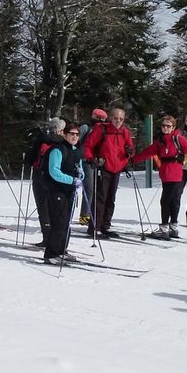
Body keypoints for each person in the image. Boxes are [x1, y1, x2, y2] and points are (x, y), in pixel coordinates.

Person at [131, 115, 187, 240]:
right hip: (166, 174)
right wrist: (133, 160)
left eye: (168, 126)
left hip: (174, 173)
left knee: (165, 201)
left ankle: (164, 228)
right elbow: (148, 152)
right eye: (163, 126)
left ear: (173, 127)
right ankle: (173, 227)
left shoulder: (177, 139)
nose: (165, 128)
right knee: (174, 200)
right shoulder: (160, 141)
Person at [82, 107, 134, 238]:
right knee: (100, 197)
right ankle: (94, 226)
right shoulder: (102, 129)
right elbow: (88, 145)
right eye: (116, 118)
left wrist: (129, 152)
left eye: (121, 119)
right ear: (110, 118)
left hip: (117, 168)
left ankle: (105, 225)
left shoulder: (125, 132)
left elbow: (130, 147)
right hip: (103, 166)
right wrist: (90, 158)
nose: (118, 121)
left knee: (111, 198)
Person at [42, 122, 84, 264]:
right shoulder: (58, 149)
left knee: (66, 222)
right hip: (56, 190)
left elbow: (80, 167)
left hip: (69, 190)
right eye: (72, 133)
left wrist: (80, 176)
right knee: (59, 222)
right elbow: (54, 171)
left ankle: (61, 250)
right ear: (65, 134)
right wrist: (72, 180)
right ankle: (51, 254)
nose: (74, 136)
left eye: (77, 134)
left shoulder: (76, 150)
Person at [28, 117, 66, 247]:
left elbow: (29, 159)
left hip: (40, 176)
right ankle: (51, 239)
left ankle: (48, 238)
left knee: (43, 208)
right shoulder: (60, 143)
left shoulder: (41, 140)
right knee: (51, 209)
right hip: (51, 179)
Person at [78, 109, 106, 225]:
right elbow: (76, 140)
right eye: (101, 118)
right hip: (86, 162)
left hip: (98, 162)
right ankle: (85, 216)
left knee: (97, 189)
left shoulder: (103, 129)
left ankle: (93, 214)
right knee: (89, 189)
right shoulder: (86, 127)